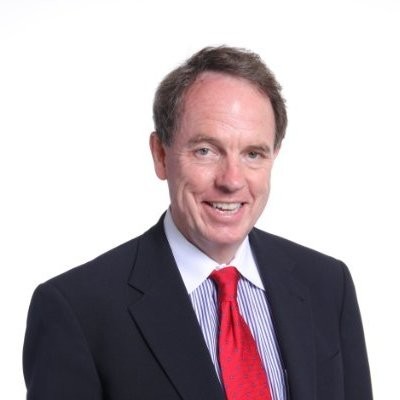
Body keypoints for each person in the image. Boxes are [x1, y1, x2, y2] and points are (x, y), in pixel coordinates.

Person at [23, 46, 373, 400]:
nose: (232, 180)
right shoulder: (78, 310)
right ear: (161, 155)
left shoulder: (328, 286)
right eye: (206, 150)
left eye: (253, 154)